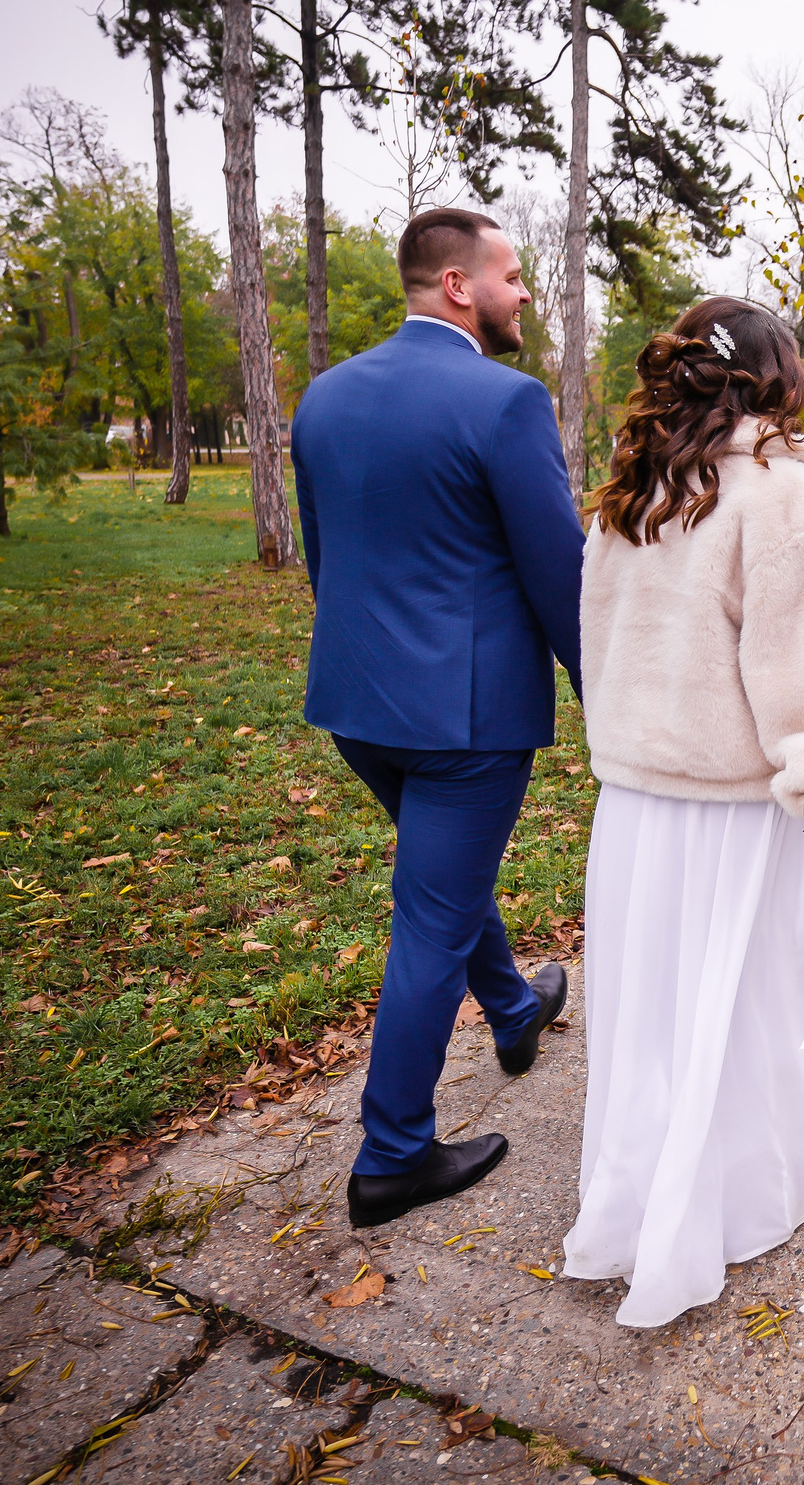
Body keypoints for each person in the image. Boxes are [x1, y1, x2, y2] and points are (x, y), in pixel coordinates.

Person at [564, 297, 804, 1328]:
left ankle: (651, 1195)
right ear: (779, 377)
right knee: (763, 989)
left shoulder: (633, 494)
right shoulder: (780, 500)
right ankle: (756, 1179)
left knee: (665, 1012)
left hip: (635, 808)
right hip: (733, 807)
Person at [291, 207, 587, 1229]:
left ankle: (514, 1008)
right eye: (510, 277)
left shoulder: (324, 398)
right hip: (465, 717)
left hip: (357, 702)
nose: (521, 297)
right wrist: (611, 695)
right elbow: (560, 573)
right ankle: (393, 1155)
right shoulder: (505, 402)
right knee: (430, 916)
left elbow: (325, 559)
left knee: (439, 882)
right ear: (459, 286)